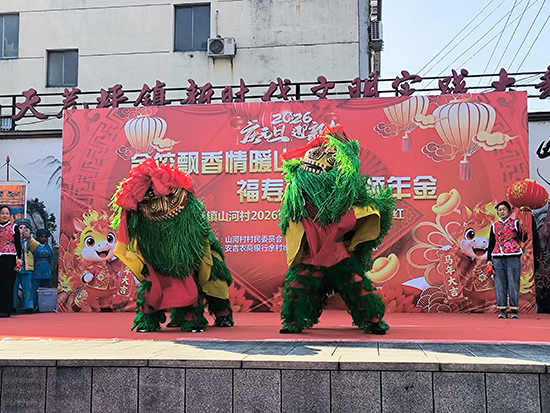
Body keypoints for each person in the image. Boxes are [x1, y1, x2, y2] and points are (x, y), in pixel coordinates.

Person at [277, 126, 395, 335]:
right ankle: (293, 322)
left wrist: (345, 151)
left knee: (357, 286)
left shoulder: (342, 199)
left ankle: (373, 321)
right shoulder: (298, 196)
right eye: (316, 153)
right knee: (298, 288)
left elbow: (350, 192)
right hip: (311, 257)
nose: (319, 159)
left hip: (338, 256)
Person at [111, 158, 234, 332]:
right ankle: (149, 319)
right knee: (153, 281)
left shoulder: (184, 206)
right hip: (154, 244)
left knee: (208, 276)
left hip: (184, 247)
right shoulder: (143, 208)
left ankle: (218, 314)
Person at [487, 200, 526, 319]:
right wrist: (489, 259)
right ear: (497, 213)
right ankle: (502, 310)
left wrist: (523, 227)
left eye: (504, 209)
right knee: (500, 284)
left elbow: (523, 238)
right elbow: (491, 243)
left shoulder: (516, 223)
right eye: (499, 210)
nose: (502, 211)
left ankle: (514, 310)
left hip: (513, 256)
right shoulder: (494, 226)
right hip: (498, 257)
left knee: (513, 283)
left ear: (509, 211)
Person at [0, 206, 23, 317]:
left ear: (10, 215)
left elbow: (18, 244)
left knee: (8, 284)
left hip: (9, 257)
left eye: (7, 213)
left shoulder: (14, 227)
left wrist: (19, 258)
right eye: (2, 213)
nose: (4, 215)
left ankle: (6, 309)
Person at [13, 218, 39, 313]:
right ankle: (13, 306)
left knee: (27, 287)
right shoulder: (12, 239)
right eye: (20, 228)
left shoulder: (28, 240)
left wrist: (29, 238)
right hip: (15, 267)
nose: (23, 230)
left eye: (25, 228)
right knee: (13, 287)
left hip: (27, 267)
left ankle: (28, 306)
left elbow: (35, 247)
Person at [32, 228, 54, 309]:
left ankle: (43, 306)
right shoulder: (34, 247)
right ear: (38, 237)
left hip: (47, 271)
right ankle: (34, 306)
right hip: (36, 270)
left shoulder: (48, 247)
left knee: (45, 289)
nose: (44, 238)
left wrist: (51, 269)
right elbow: (32, 258)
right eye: (42, 236)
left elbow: (51, 258)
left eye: (45, 237)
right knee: (35, 289)